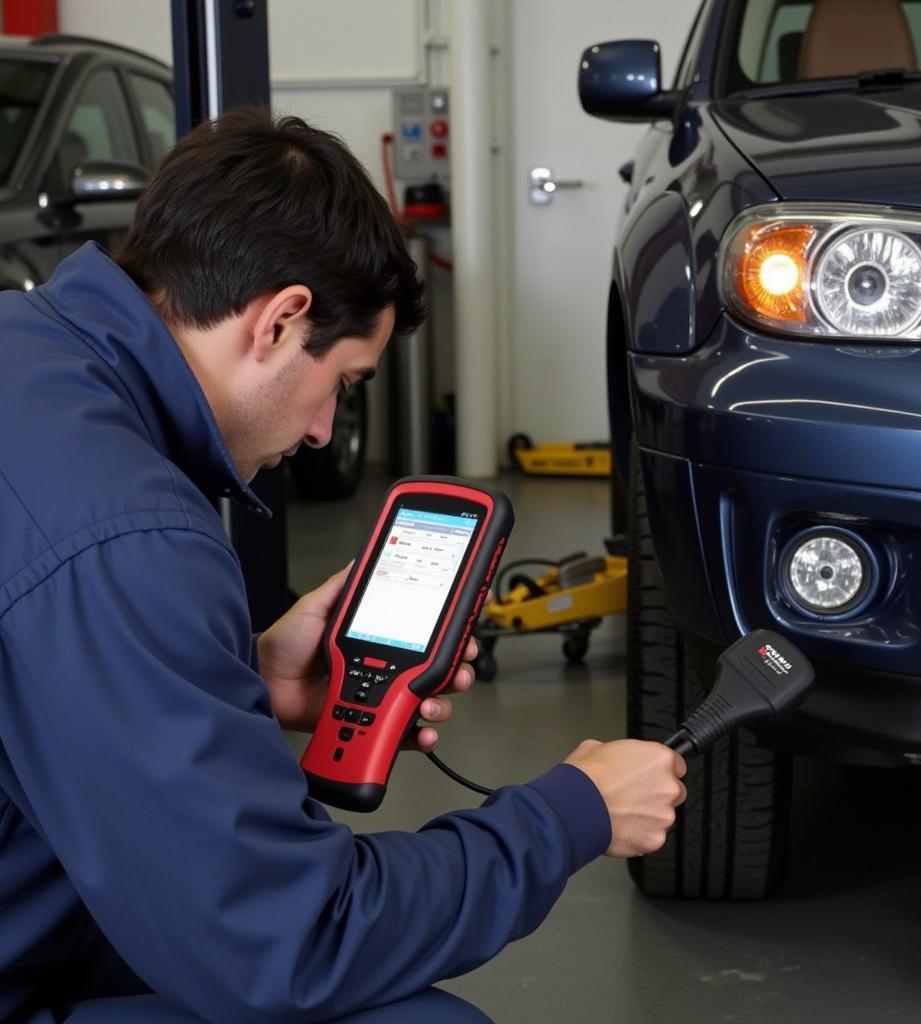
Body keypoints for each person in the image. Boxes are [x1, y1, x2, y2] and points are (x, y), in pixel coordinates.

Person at [0, 107, 687, 1024]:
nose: (326, 430)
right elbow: (292, 940)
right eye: (345, 383)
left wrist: (239, 673)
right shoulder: (134, 536)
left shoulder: (26, 346)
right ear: (281, 321)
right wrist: (571, 814)